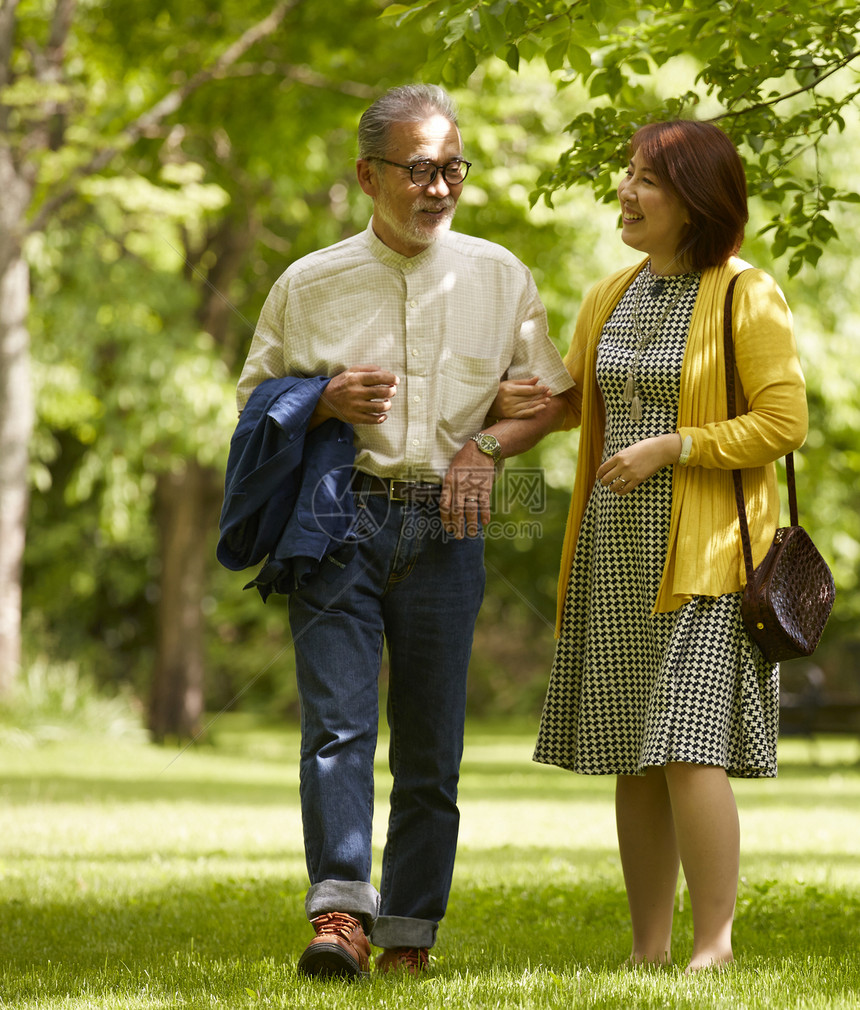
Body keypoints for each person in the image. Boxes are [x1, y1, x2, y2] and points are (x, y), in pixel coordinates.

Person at [231, 84, 574, 978]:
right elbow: (252, 404)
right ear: (368, 175)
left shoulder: (499, 277)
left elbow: (556, 401)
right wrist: (323, 400)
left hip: (448, 530)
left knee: (432, 746)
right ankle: (339, 917)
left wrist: (488, 449)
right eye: (419, 170)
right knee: (337, 728)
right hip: (338, 522)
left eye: (452, 168)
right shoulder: (309, 284)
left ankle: (410, 934)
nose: (439, 187)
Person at [527, 120, 808, 972]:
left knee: (688, 746)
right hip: (616, 550)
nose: (624, 191)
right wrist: (503, 403)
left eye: (644, 180)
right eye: (626, 176)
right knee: (632, 754)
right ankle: (648, 951)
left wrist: (675, 445)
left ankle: (712, 947)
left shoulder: (744, 294)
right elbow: (574, 399)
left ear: (693, 200)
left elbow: (783, 422)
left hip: (714, 554)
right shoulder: (609, 293)